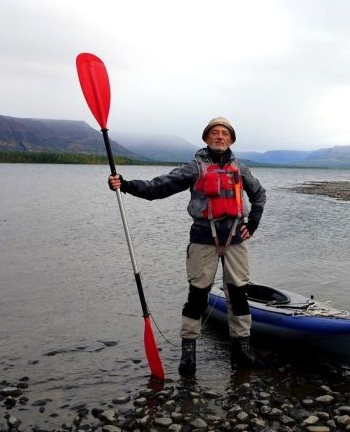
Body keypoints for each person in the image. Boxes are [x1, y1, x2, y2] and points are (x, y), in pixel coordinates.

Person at [108, 117, 266, 377]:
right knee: (198, 294)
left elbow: (259, 194)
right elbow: (158, 188)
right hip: (203, 237)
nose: (219, 136)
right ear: (206, 138)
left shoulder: (241, 169)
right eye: (214, 133)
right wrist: (125, 185)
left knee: (238, 293)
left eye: (224, 133)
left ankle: (241, 347)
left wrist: (254, 222)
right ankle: (189, 352)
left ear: (231, 140)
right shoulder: (194, 168)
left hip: (236, 239)